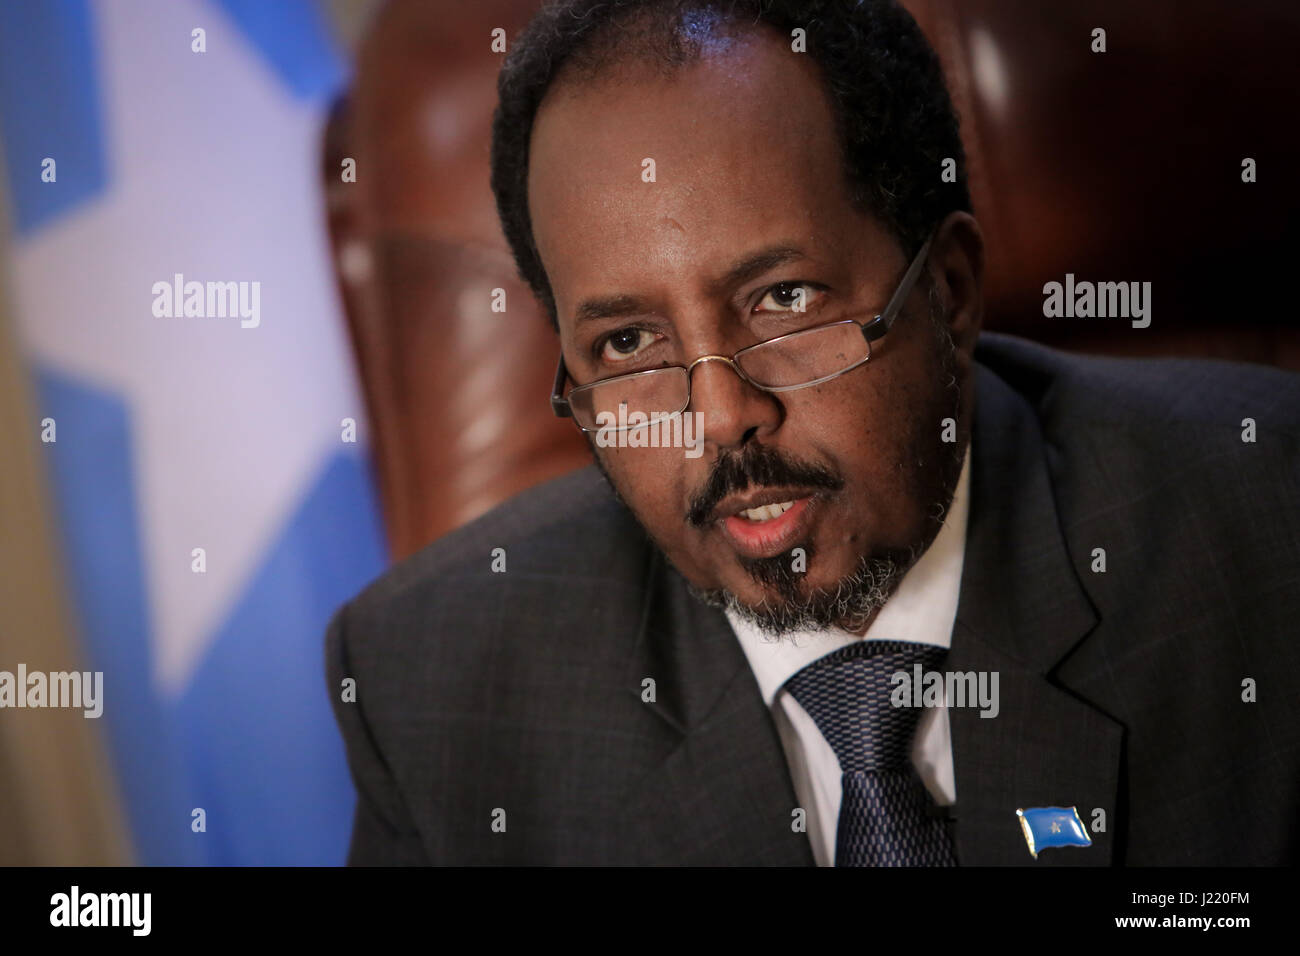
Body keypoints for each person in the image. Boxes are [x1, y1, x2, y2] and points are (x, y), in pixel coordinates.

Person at [326, 0, 1300, 865]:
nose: (720, 416)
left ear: (951, 290)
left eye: (783, 300)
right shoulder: (433, 687)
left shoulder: (1266, 538)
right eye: (626, 342)